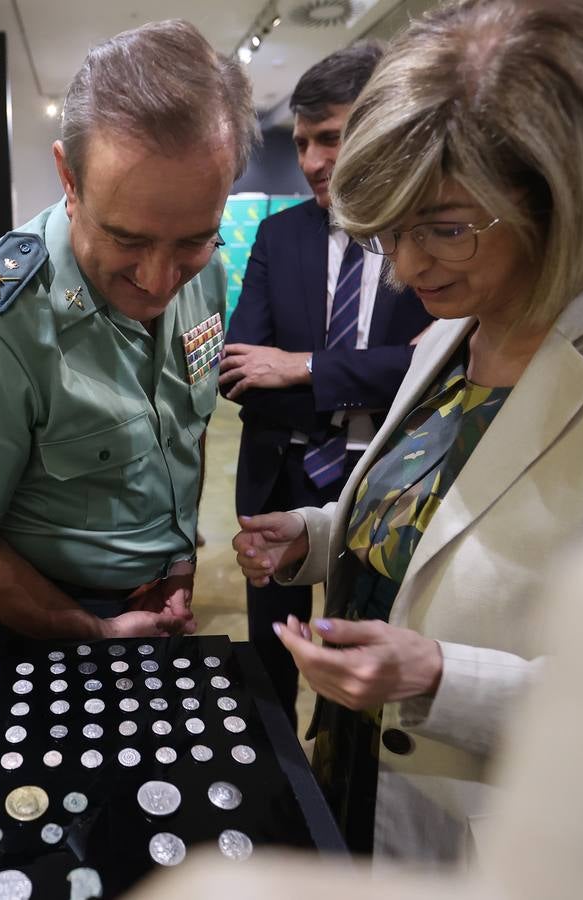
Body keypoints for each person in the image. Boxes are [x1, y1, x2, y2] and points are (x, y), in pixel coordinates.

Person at [231, 0, 583, 864]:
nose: (408, 265)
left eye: (443, 228)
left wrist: (439, 677)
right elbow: (442, 511)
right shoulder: (451, 332)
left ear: (565, 199)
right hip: (356, 775)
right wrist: (317, 538)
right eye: (389, 233)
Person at [0, 20, 258, 644]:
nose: (157, 280)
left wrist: (180, 565)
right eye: (128, 239)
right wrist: (93, 630)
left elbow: (185, 428)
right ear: (69, 179)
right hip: (30, 623)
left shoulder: (205, 275)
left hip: (156, 597)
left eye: (193, 240)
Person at [218, 43, 433, 730]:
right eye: (303, 141)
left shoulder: (430, 238)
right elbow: (243, 374)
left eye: (331, 138)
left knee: (364, 652)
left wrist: (305, 367)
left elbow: (448, 371)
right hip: (278, 477)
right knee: (270, 658)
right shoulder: (280, 237)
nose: (311, 161)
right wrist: (382, 373)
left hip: (388, 476)